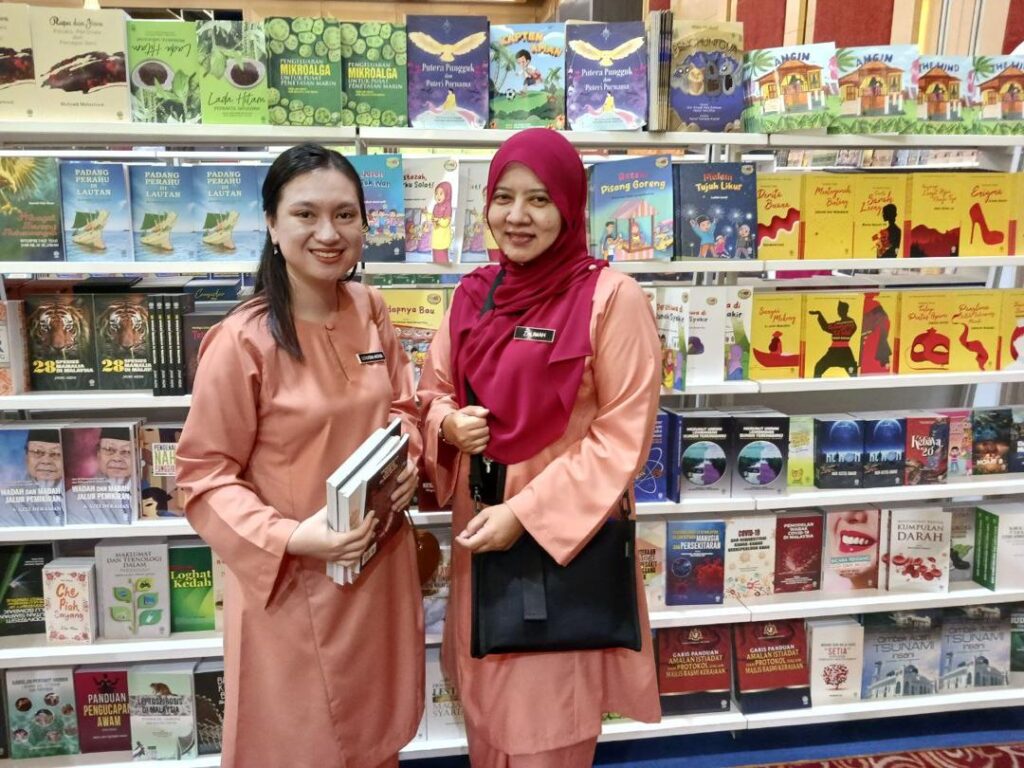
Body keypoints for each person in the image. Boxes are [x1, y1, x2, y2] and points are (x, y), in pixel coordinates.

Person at [417, 128, 662, 767]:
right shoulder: (473, 296)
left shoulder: (612, 298)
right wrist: (448, 423)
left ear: (570, 206)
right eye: (503, 198)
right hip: (481, 532)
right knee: (488, 713)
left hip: (559, 542)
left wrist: (524, 515)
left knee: (548, 724)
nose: (517, 217)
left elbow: (623, 435)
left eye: (539, 199)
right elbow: (432, 390)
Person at [175, 143, 424, 768]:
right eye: (306, 214)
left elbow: (404, 406)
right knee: (298, 742)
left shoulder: (370, 308)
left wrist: (409, 459)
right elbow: (202, 477)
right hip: (294, 585)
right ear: (271, 224)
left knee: (376, 737)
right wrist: (289, 537)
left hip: (377, 571)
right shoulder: (241, 342)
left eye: (345, 215)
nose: (328, 234)